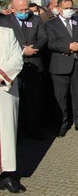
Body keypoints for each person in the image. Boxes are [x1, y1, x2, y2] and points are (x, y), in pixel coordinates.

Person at [0, 0, 48, 140]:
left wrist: (33, 48)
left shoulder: (36, 19)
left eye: (26, 9)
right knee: (16, 101)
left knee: (34, 100)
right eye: (21, 10)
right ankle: (17, 133)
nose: (25, 12)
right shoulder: (4, 22)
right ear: (12, 9)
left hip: (34, 63)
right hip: (14, 69)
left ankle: (34, 129)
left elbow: (43, 37)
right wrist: (22, 50)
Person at [45, 0, 78, 137]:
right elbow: (51, 43)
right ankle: (62, 123)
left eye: (71, 8)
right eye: (66, 8)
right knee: (61, 97)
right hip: (60, 65)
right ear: (58, 9)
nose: (69, 11)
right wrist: (68, 47)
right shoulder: (51, 24)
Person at [0, 26, 25, 193]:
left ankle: (6, 177)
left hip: (3, 89)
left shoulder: (6, 33)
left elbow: (17, 58)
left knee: (5, 134)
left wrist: (2, 76)